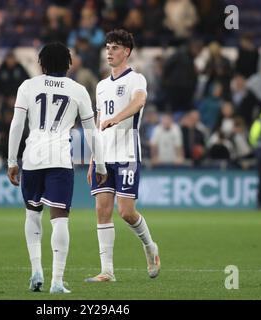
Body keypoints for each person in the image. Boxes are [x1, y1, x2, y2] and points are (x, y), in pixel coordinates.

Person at [7, 42, 107, 294]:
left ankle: (36, 271)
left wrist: (11, 160)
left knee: (32, 214)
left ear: (41, 64)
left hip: (32, 158)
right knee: (60, 218)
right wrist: (101, 163)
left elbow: (17, 125)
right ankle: (57, 281)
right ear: (68, 64)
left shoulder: (28, 86)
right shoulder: (78, 90)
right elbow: (90, 131)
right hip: (60, 159)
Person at [86, 29, 161, 283]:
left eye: (115, 47)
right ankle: (107, 270)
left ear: (126, 52)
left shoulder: (136, 79)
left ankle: (150, 247)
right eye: (107, 47)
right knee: (101, 210)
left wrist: (117, 119)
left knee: (126, 212)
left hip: (127, 152)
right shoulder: (101, 86)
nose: (109, 51)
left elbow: (139, 102)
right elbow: (98, 122)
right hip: (104, 156)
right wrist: (93, 158)